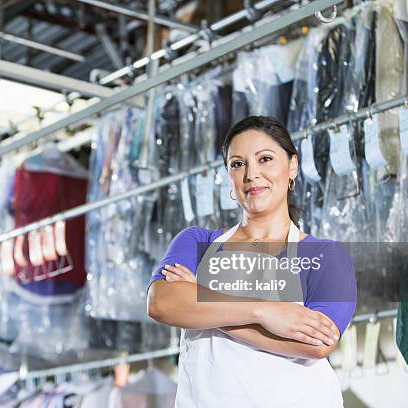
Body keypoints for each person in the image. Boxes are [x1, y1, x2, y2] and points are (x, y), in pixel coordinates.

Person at [147, 116, 357, 407]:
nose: (251, 174)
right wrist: (263, 311)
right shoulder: (197, 241)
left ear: (292, 166)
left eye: (265, 159)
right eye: (238, 164)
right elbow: (162, 303)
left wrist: (202, 309)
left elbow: (317, 343)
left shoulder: (326, 255)